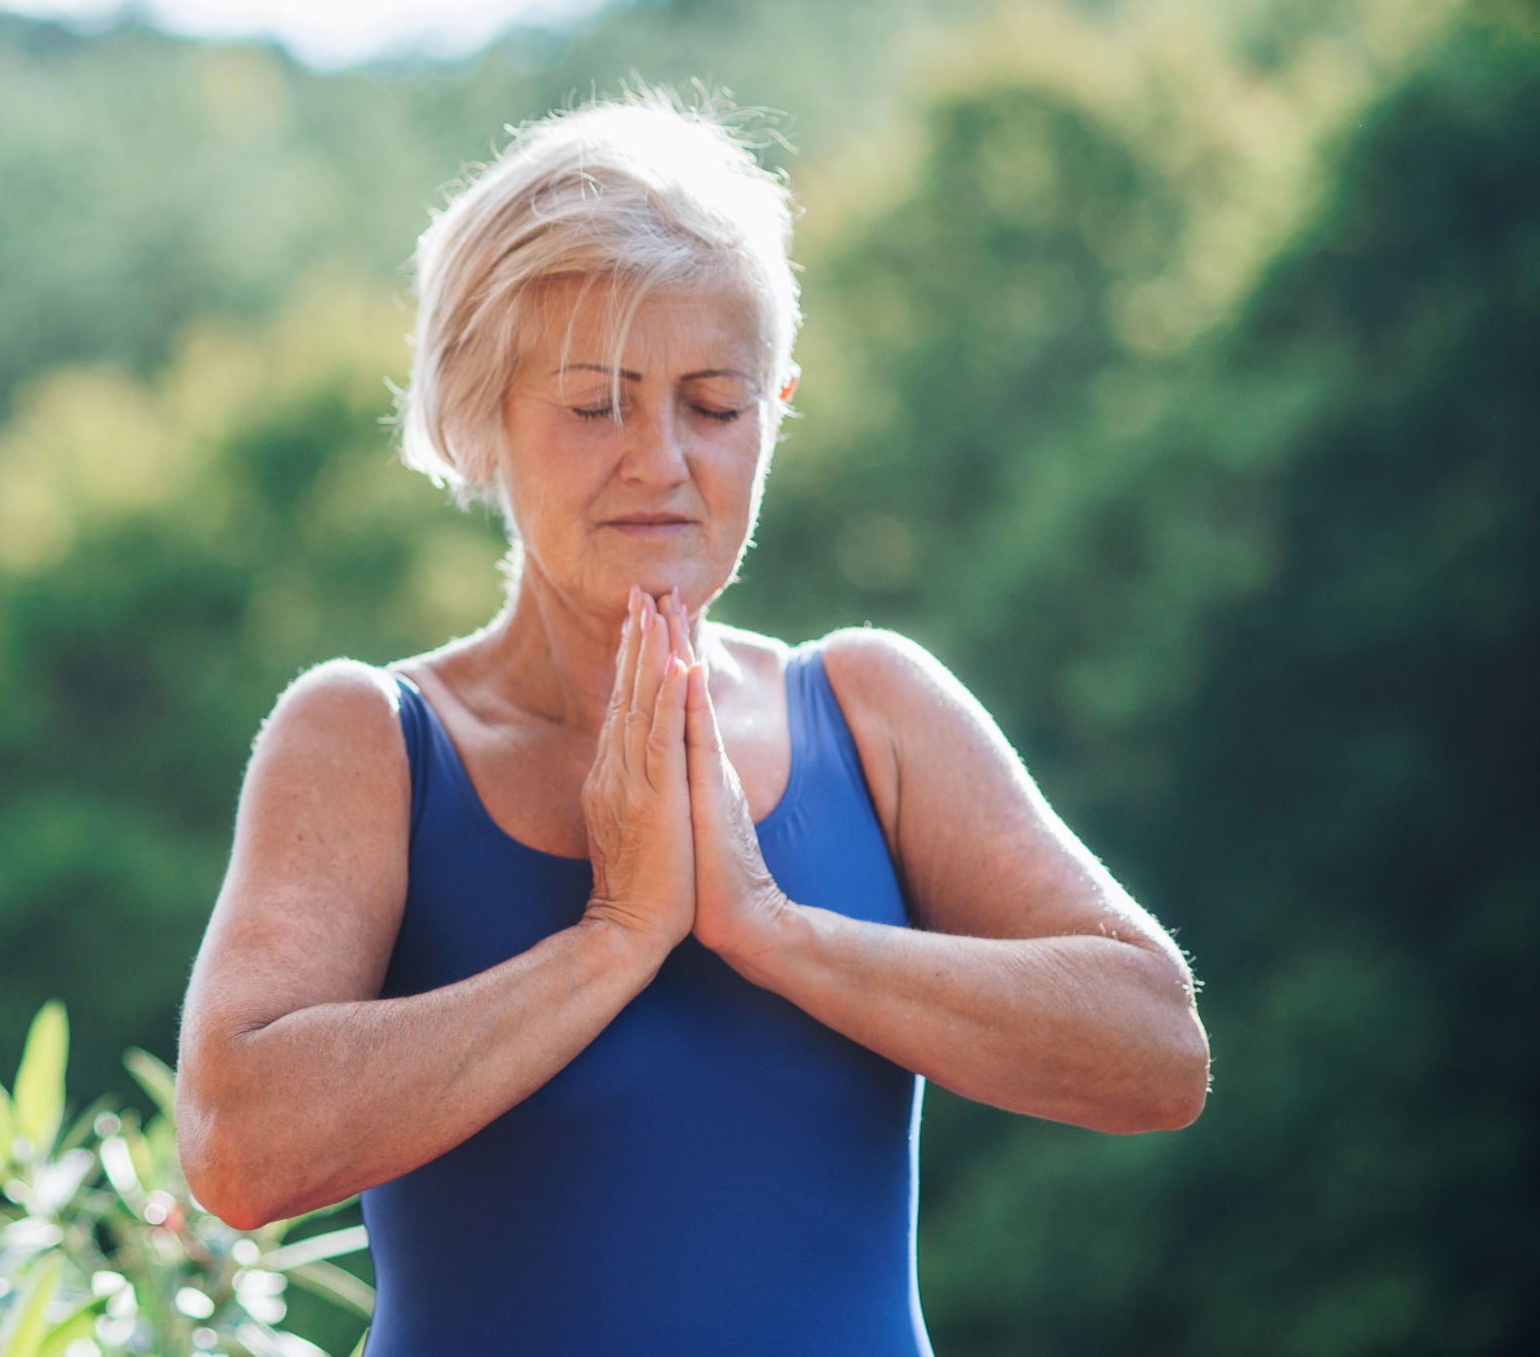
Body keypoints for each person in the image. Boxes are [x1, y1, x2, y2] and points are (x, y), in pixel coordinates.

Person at [171, 87, 1210, 1354]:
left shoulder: (871, 710)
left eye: (713, 404)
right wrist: (612, 939)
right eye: (597, 403)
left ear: (773, 413)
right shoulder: (367, 741)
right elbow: (236, 1146)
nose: (661, 459)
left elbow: (1155, 1051)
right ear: (480, 414)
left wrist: (771, 930)